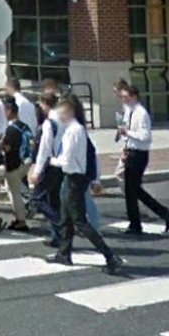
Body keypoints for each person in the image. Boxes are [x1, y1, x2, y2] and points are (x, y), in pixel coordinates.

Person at [47, 96, 123, 275]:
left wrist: (51, 161)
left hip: (74, 179)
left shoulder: (74, 131)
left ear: (69, 112)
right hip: (71, 179)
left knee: (80, 222)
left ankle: (110, 256)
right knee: (65, 218)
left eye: (62, 111)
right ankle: (64, 254)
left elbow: (66, 159)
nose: (59, 114)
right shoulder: (75, 129)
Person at [115, 83, 169, 236]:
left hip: (138, 154)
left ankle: (142, 222)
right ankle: (158, 216)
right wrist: (124, 145)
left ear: (134, 96)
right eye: (122, 97)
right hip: (130, 152)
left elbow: (145, 136)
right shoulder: (129, 111)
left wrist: (127, 132)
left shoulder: (141, 113)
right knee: (133, 191)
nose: (123, 99)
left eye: (126, 97)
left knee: (133, 190)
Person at [28, 93, 64, 245]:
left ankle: (60, 225)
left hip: (50, 165)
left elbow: (44, 148)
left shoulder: (49, 123)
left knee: (37, 200)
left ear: (45, 104)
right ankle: (57, 237)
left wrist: (37, 171)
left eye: (41, 105)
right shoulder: (63, 120)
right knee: (53, 199)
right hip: (60, 164)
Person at [0, 95, 31, 232]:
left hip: (13, 164)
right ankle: (20, 217)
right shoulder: (24, 126)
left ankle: (20, 221)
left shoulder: (11, 130)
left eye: (4, 110)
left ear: (9, 111)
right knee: (16, 191)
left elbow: (7, 148)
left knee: (14, 193)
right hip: (25, 163)